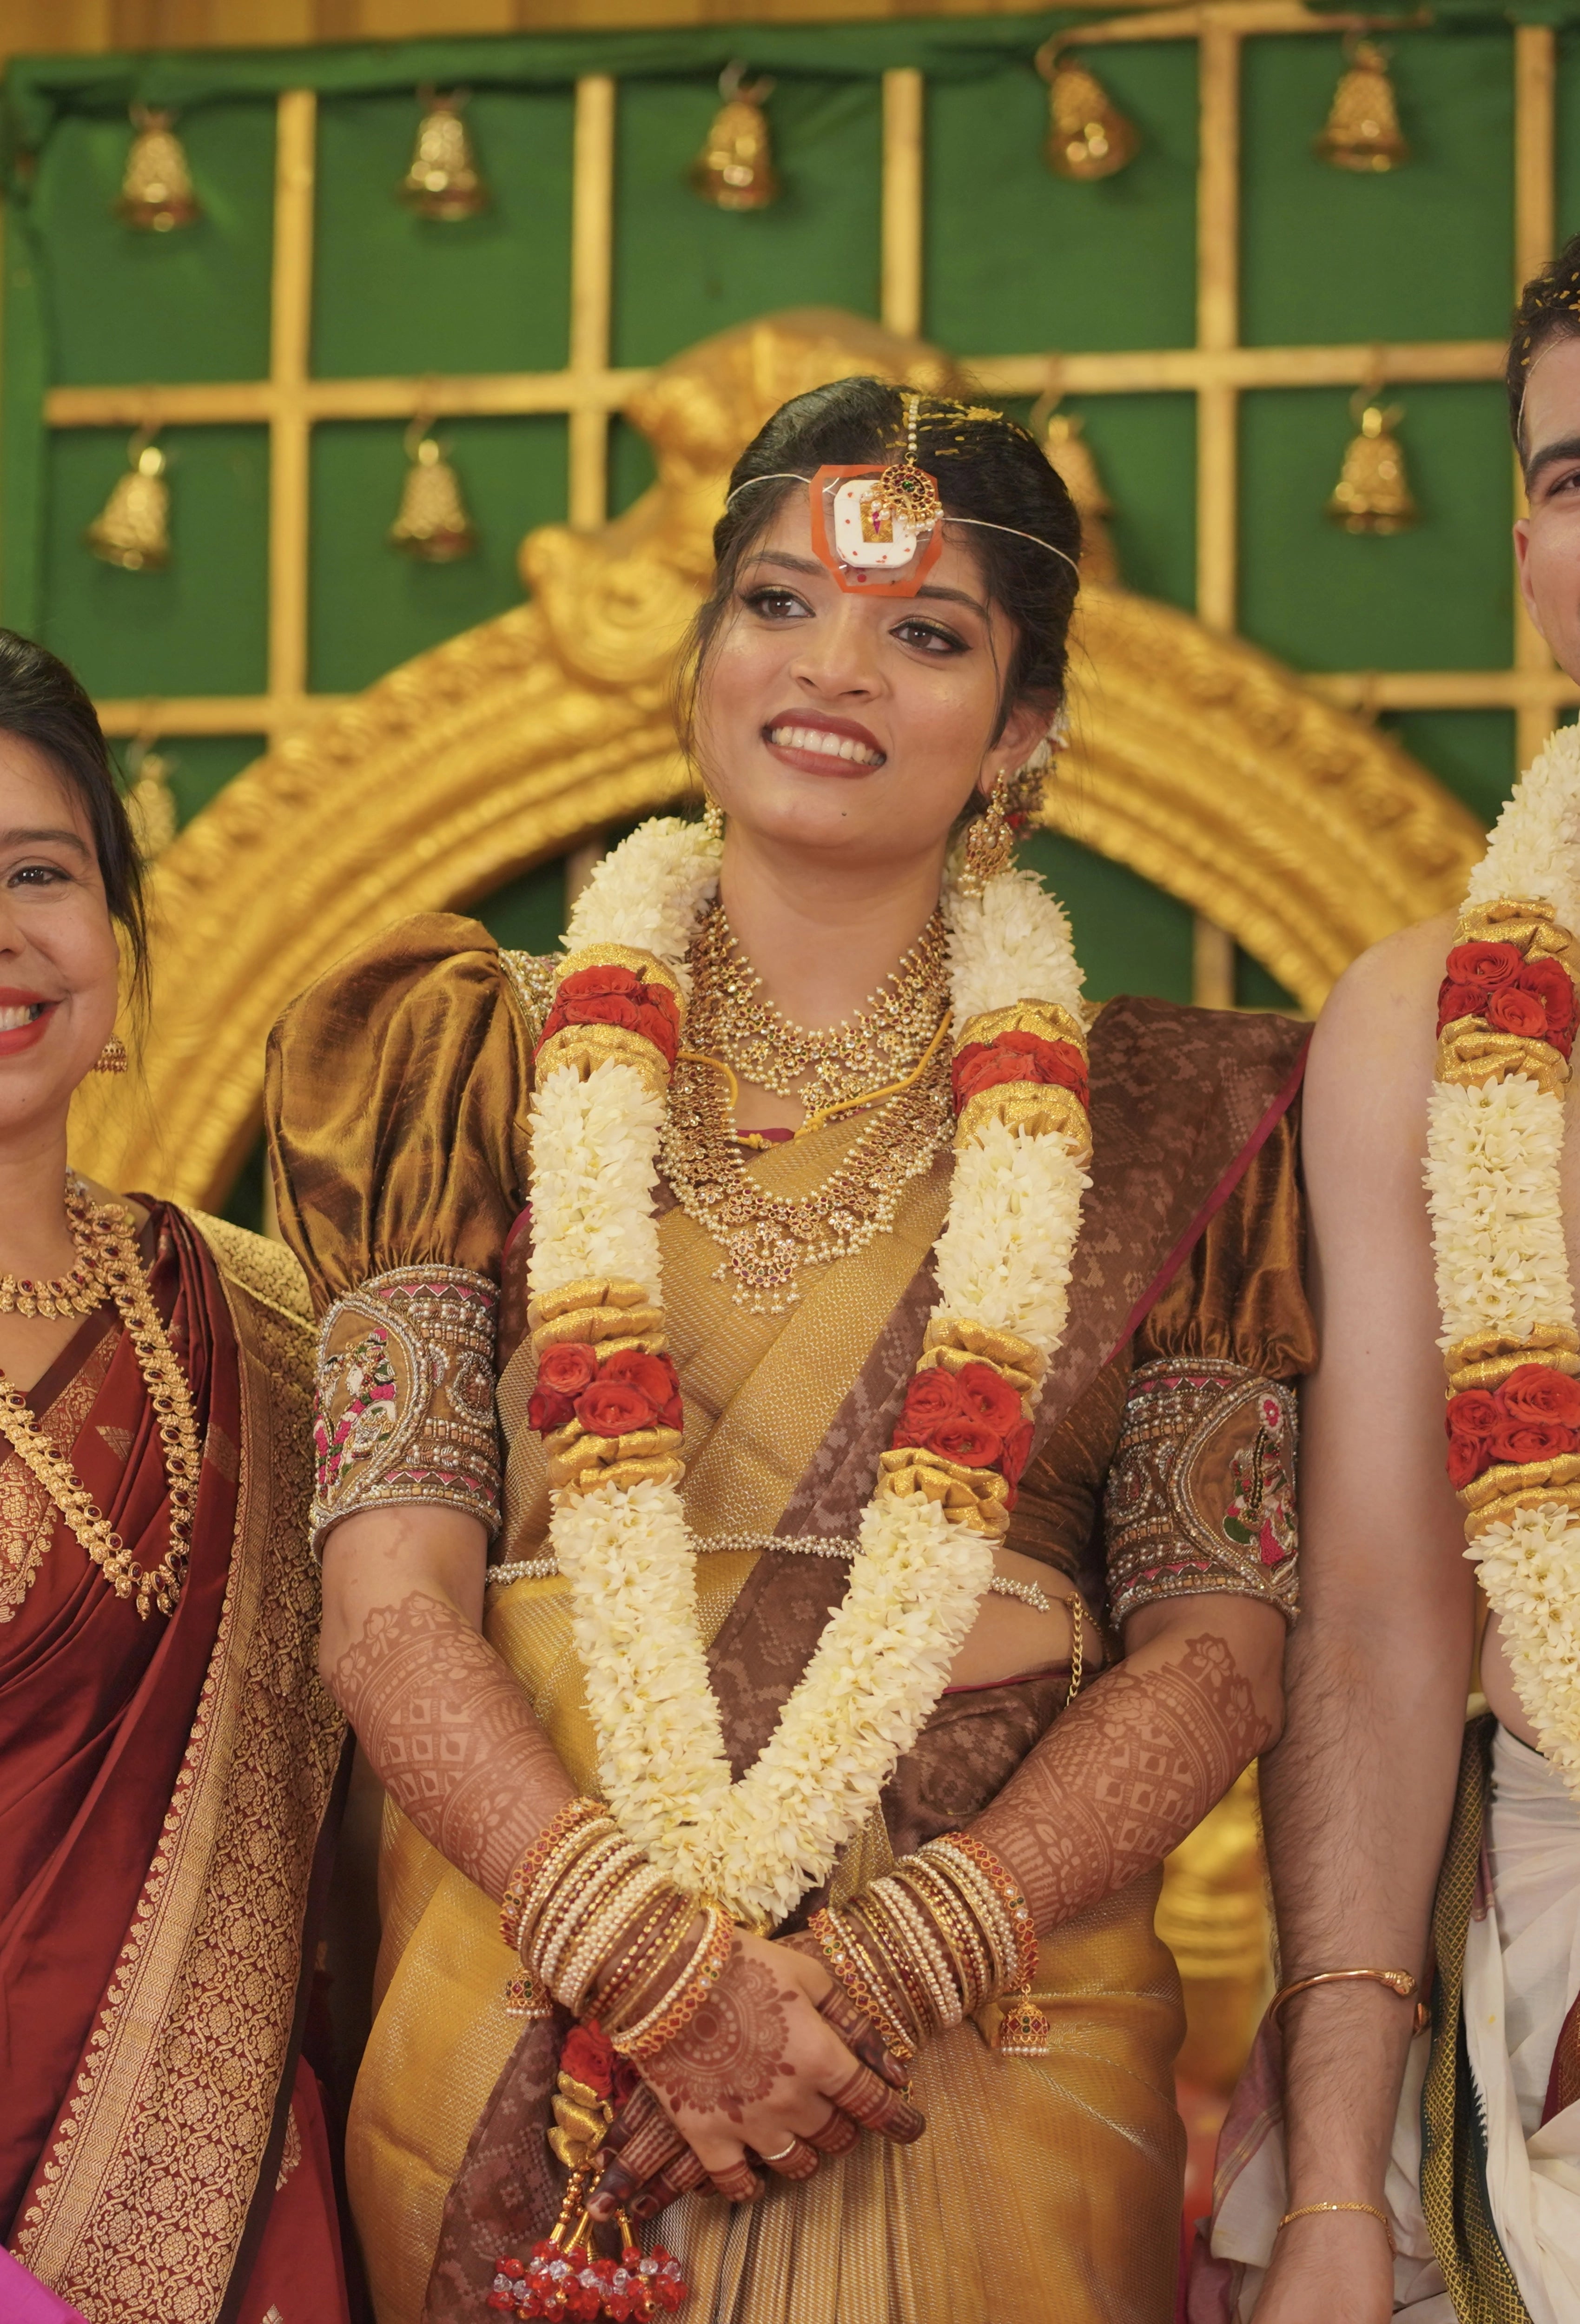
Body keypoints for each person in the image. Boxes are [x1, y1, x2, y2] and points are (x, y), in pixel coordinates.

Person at [267, 380, 1314, 2324]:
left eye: (926, 632)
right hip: (519, 2016)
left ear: (1021, 731)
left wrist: (897, 1957)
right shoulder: (467, 1060)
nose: (834, 667)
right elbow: (386, 1606)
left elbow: (1215, 1652)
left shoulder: (1175, 1122)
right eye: (777, 602)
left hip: (973, 2076)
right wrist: (654, 1962)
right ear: (698, 659)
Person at [1193, 239, 1580, 2324]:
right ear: (1525, 545)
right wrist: (1336, 2173)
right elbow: (1371, 1612)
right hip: (1536, 1952)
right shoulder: (1420, 1030)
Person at [0, 631, 351, 2324]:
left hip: (227, 2215)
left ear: (116, 940)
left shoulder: (266, 1325)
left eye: (40, 873)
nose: (2, 935)